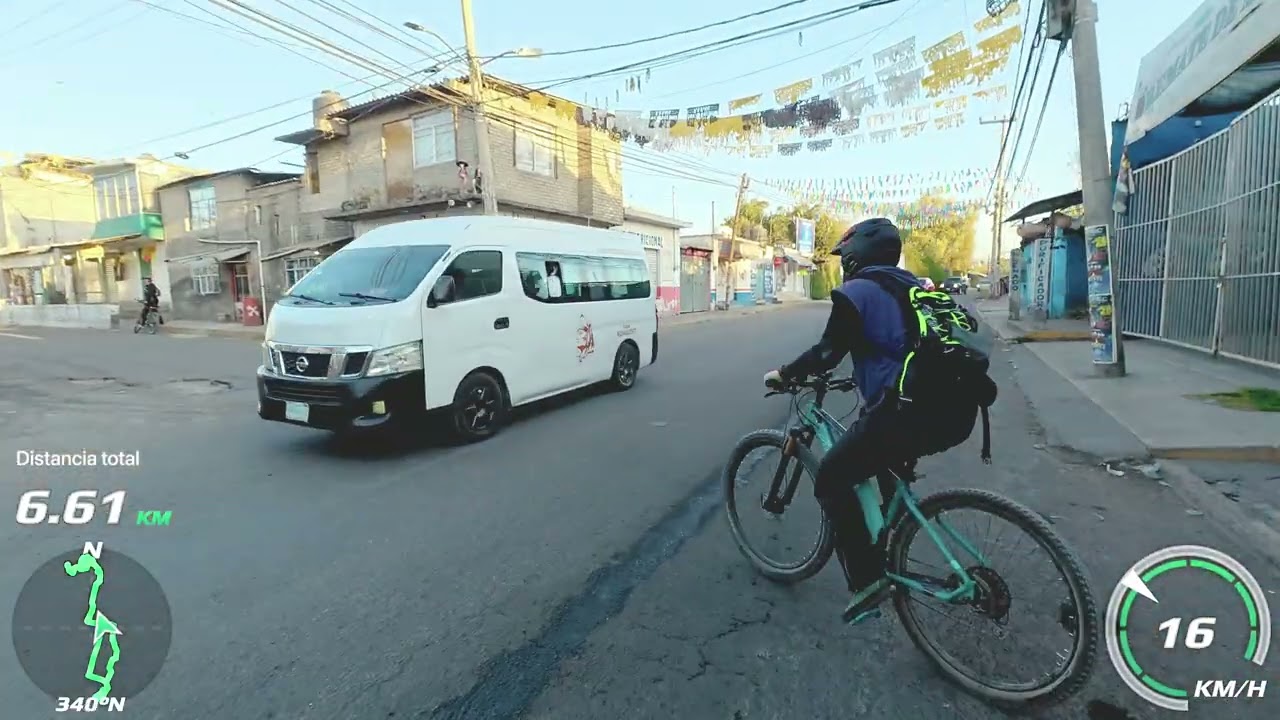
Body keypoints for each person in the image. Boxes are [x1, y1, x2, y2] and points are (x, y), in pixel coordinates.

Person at [762, 217, 922, 625]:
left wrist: (786, 373)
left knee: (832, 475)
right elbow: (897, 344)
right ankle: (895, 548)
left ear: (854, 256)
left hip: (899, 411)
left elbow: (827, 352)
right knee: (881, 463)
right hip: (941, 406)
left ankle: (868, 580)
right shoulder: (913, 287)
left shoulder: (859, 292)